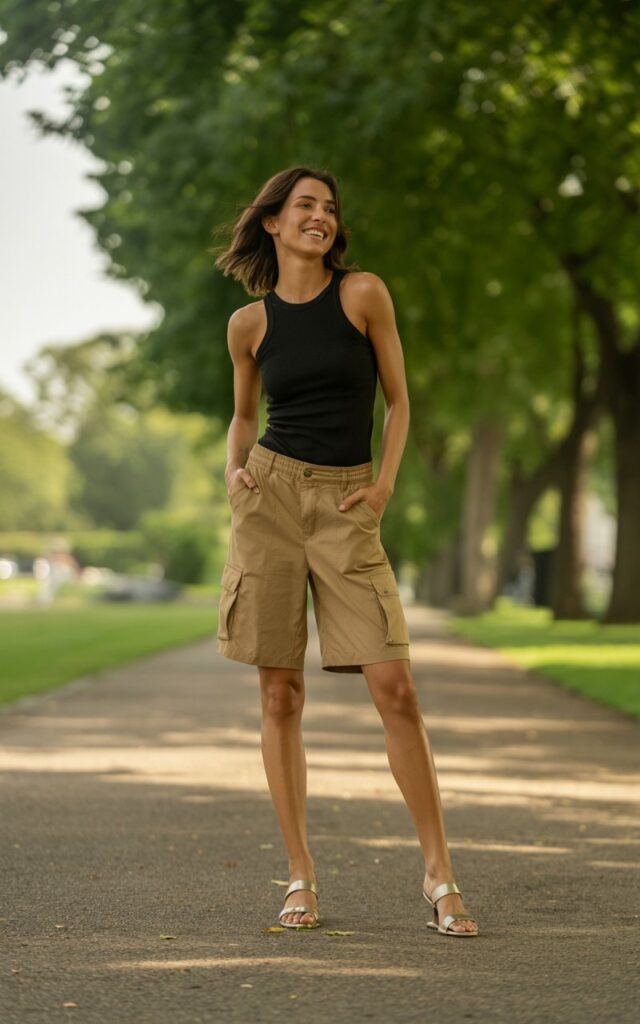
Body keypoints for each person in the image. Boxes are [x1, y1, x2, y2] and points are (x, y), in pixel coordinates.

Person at [213, 166, 478, 937]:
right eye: (305, 206)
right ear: (273, 222)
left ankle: (440, 874)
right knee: (279, 696)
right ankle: (299, 876)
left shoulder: (363, 294)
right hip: (268, 496)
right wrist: (235, 475)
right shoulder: (247, 325)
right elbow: (241, 415)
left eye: (329, 209)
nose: (320, 218)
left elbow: (399, 402)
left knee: (395, 685)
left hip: (347, 501)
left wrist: (386, 487)